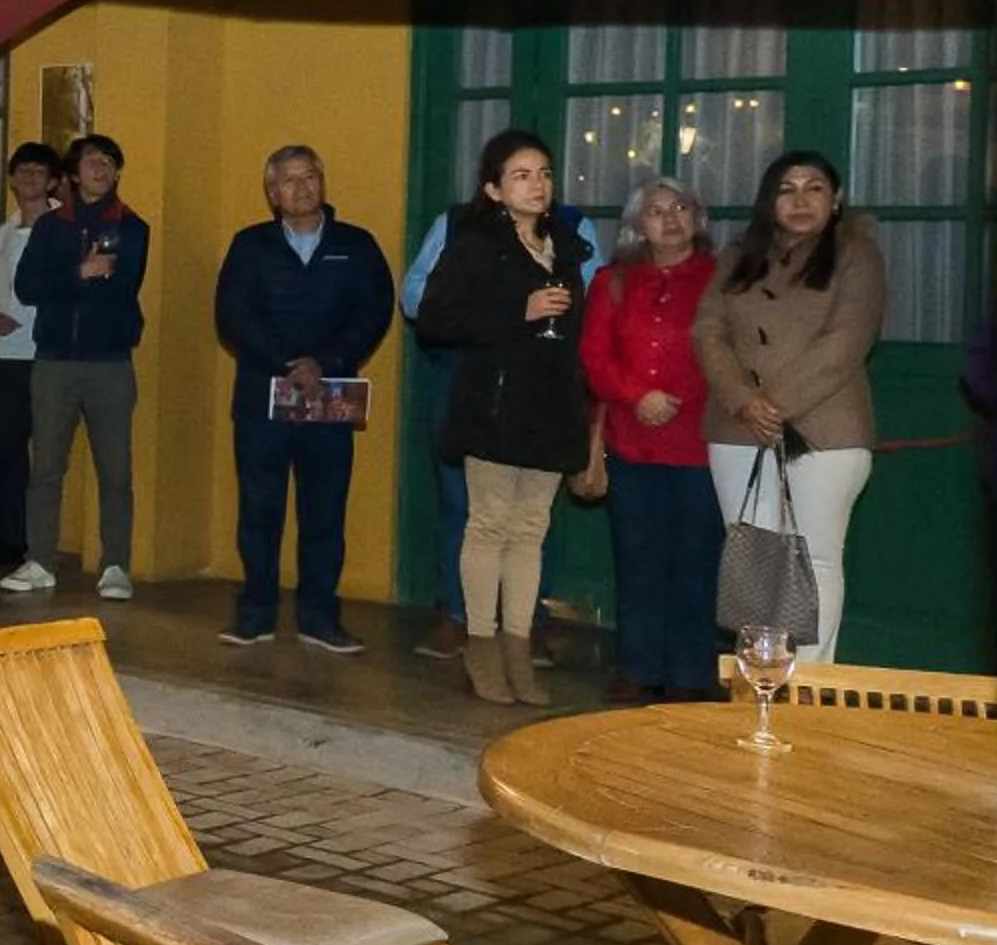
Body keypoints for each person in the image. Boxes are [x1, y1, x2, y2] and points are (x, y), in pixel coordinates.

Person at [417, 128, 594, 706]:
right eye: (521, 175)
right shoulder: (473, 241)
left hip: (550, 402)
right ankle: (480, 645)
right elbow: (438, 315)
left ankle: (519, 647)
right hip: (492, 403)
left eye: (543, 173)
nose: (537, 185)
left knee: (530, 530)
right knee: (488, 525)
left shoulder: (566, 242)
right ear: (493, 187)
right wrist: (517, 310)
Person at [694, 150, 883, 669]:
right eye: (787, 188)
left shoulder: (856, 255)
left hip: (825, 430)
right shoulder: (736, 258)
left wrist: (775, 405)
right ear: (769, 200)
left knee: (815, 559)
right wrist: (742, 399)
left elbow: (848, 339)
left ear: (836, 198)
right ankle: (760, 683)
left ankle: (809, 687)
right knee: (756, 560)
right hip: (739, 430)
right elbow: (708, 331)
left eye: (814, 187)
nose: (800, 200)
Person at [212, 146, 395, 653]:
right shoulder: (250, 246)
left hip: (331, 399)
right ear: (272, 193)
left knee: (325, 512)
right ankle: (255, 614)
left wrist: (327, 363)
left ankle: (319, 617)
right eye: (288, 181)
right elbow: (232, 316)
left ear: (323, 181)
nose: (301, 188)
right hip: (261, 400)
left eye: (310, 176)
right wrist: (288, 362)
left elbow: (374, 312)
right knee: (259, 510)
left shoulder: (356, 246)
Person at [579, 176, 725, 701]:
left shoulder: (720, 278)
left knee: (695, 559)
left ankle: (690, 673)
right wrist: (638, 394)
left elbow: (730, 352)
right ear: (638, 225)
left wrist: (680, 395)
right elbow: (595, 357)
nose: (670, 218)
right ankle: (639, 666)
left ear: (698, 218)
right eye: (656, 210)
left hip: (701, 444)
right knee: (638, 558)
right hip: (631, 440)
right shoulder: (612, 281)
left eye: (681, 207)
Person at [17, 135, 151, 600]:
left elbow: (120, 285)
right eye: (93, 162)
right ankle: (39, 560)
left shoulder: (132, 227)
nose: (102, 168)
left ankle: (116, 564)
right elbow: (27, 286)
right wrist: (78, 273)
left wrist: (75, 280)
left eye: (110, 162)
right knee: (46, 466)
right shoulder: (51, 226)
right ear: (73, 174)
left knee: (115, 469)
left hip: (109, 362)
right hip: (54, 360)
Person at [0, 142, 60, 591]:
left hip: (46, 355)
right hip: (4, 356)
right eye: (22, 171)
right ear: (11, 180)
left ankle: (38, 546)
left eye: (38, 171)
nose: (29, 178)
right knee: (1, 452)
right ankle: (2, 539)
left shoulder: (63, 230)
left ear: (52, 182)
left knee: (44, 457)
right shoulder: (1, 235)